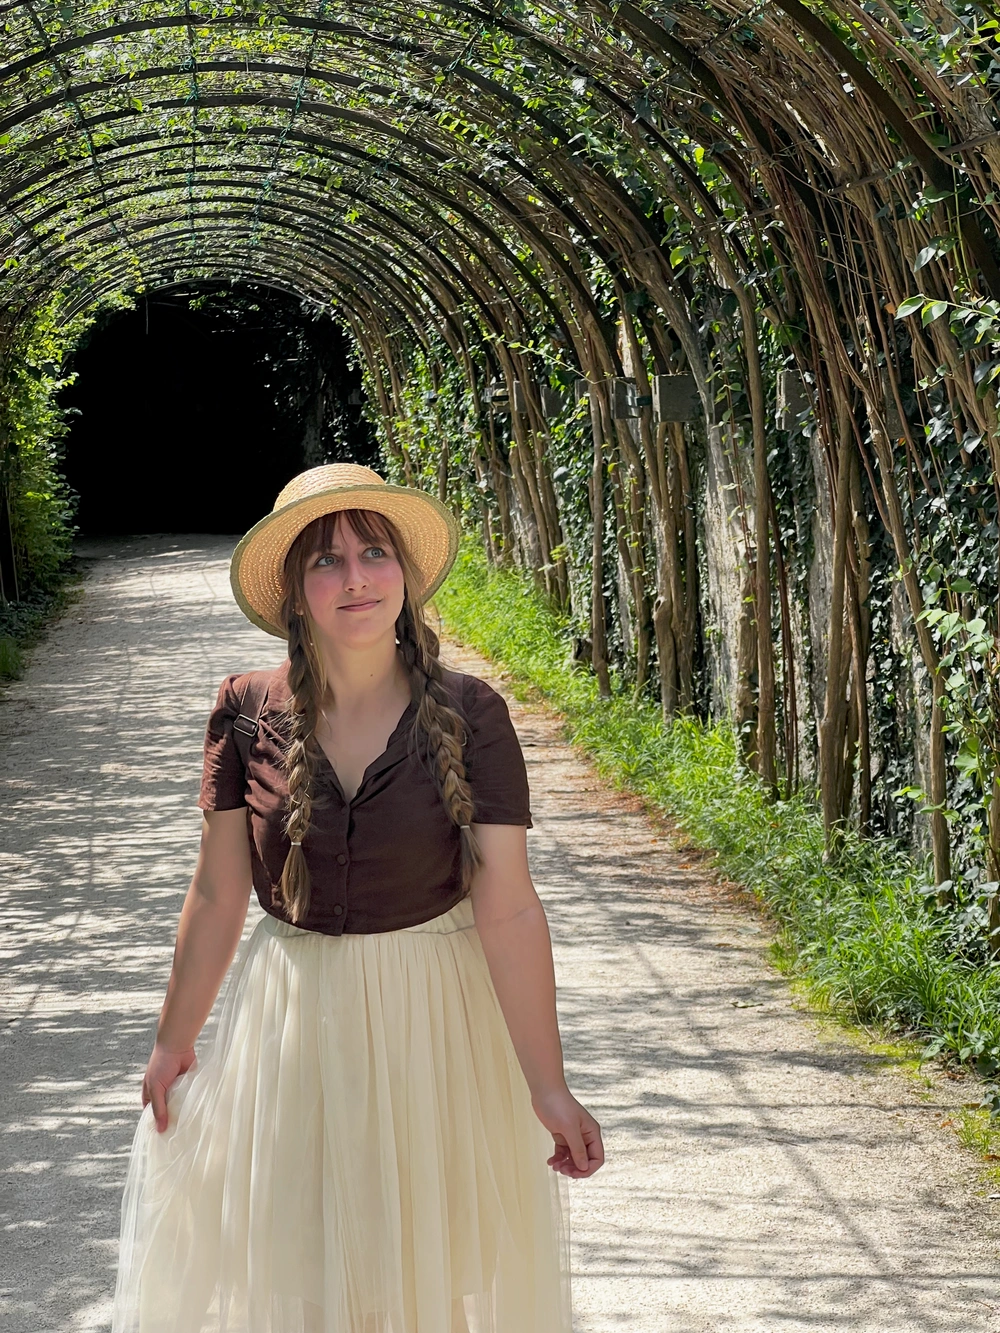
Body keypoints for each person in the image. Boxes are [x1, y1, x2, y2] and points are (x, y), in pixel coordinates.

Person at [111, 462, 604, 1333]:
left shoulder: (473, 714)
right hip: (293, 1029)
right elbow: (219, 892)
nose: (356, 579)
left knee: (422, 1287)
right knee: (309, 1282)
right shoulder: (244, 709)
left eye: (374, 553)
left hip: (431, 1030)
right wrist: (172, 1039)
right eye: (326, 561)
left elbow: (509, 907)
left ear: (404, 573)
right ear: (294, 594)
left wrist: (549, 1084)